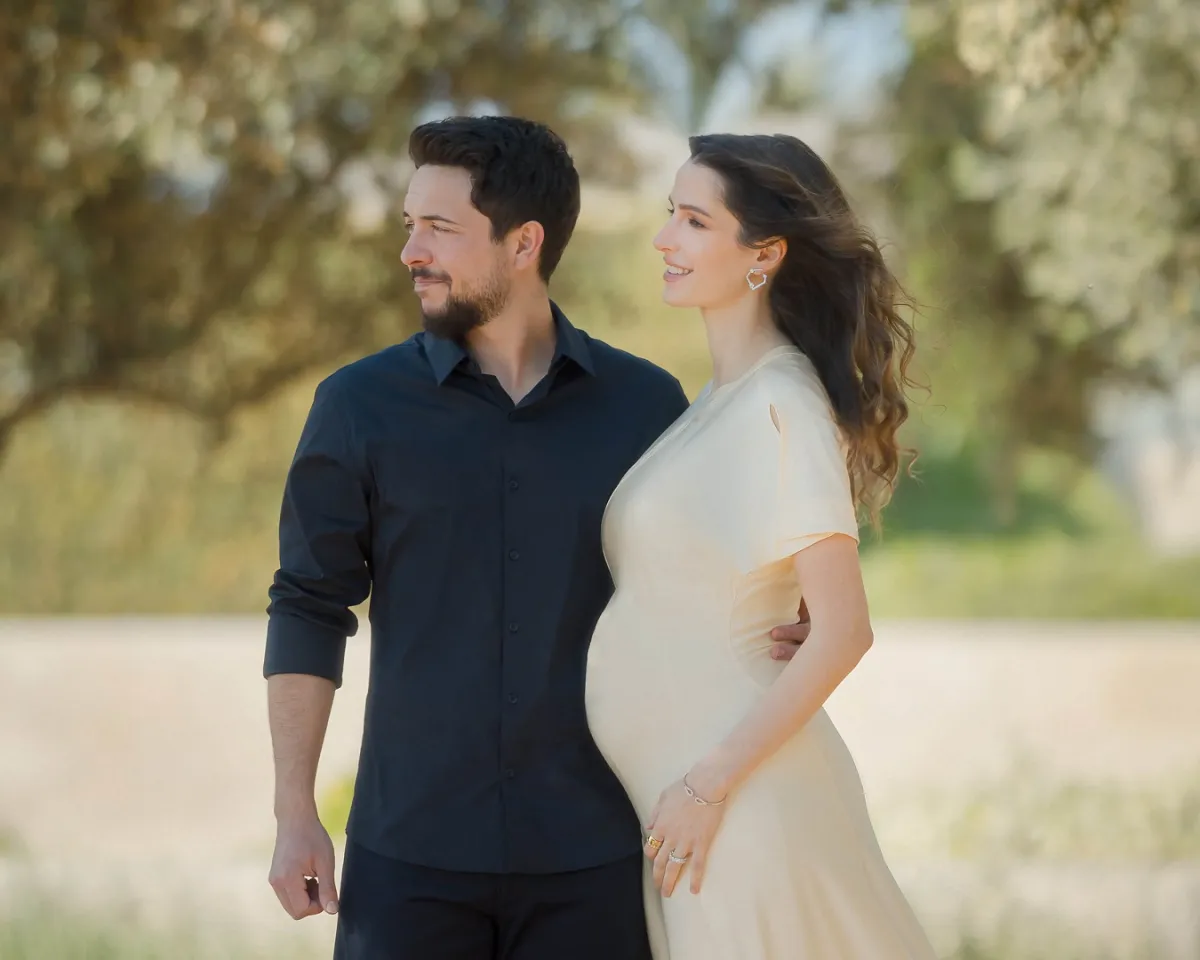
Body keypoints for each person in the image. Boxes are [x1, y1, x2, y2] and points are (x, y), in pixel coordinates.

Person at [262, 116, 811, 960]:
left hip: (597, 860)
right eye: (409, 225)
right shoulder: (357, 406)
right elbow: (307, 605)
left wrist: (782, 616)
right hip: (408, 859)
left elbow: (706, 581)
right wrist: (295, 811)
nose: (411, 251)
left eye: (440, 228)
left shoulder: (646, 407)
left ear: (524, 243)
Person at [584, 133, 938, 959]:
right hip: (693, 805)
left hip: (735, 803)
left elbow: (845, 630)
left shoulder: (782, 402)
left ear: (765, 254)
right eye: (670, 213)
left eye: (695, 221)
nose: (665, 239)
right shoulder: (721, 400)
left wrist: (707, 787)